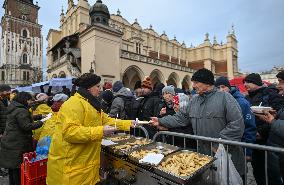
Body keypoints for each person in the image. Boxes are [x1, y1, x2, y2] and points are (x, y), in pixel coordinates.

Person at [46, 73, 135, 185]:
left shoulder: (91, 104)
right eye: (97, 86)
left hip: (84, 166)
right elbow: (70, 132)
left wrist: (128, 123)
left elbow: (108, 120)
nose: (100, 89)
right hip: (70, 168)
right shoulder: (73, 104)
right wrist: (100, 131)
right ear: (89, 87)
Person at [190, 68, 245, 177]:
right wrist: (160, 121)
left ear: (207, 83)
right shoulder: (194, 100)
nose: (193, 86)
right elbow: (181, 117)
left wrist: (221, 144)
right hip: (205, 157)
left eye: (196, 82)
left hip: (227, 155)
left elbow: (237, 123)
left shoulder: (225, 97)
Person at [243, 73, 284, 185]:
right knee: (258, 170)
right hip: (253, 139)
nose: (245, 84)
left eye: (248, 82)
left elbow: (277, 116)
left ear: (256, 83)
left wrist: (261, 132)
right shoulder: (247, 97)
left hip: (267, 140)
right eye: (244, 82)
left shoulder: (270, 94)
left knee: (271, 172)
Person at [0, 92, 44, 185]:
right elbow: (26, 126)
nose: (30, 102)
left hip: (10, 141)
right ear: (24, 99)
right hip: (18, 143)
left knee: (12, 168)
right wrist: (41, 122)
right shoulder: (21, 110)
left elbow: (23, 118)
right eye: (29, 100)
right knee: (18, 169)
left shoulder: (14, 107)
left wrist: (38, 116)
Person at [215, 76, 256, 160]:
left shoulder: (242, 102)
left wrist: (247, 151)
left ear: (229, 87)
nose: (221, 90)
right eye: (218, 87)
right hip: (225, 146)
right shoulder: (218, 100)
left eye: (223, 87)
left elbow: (249, 127)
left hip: (239, 146)